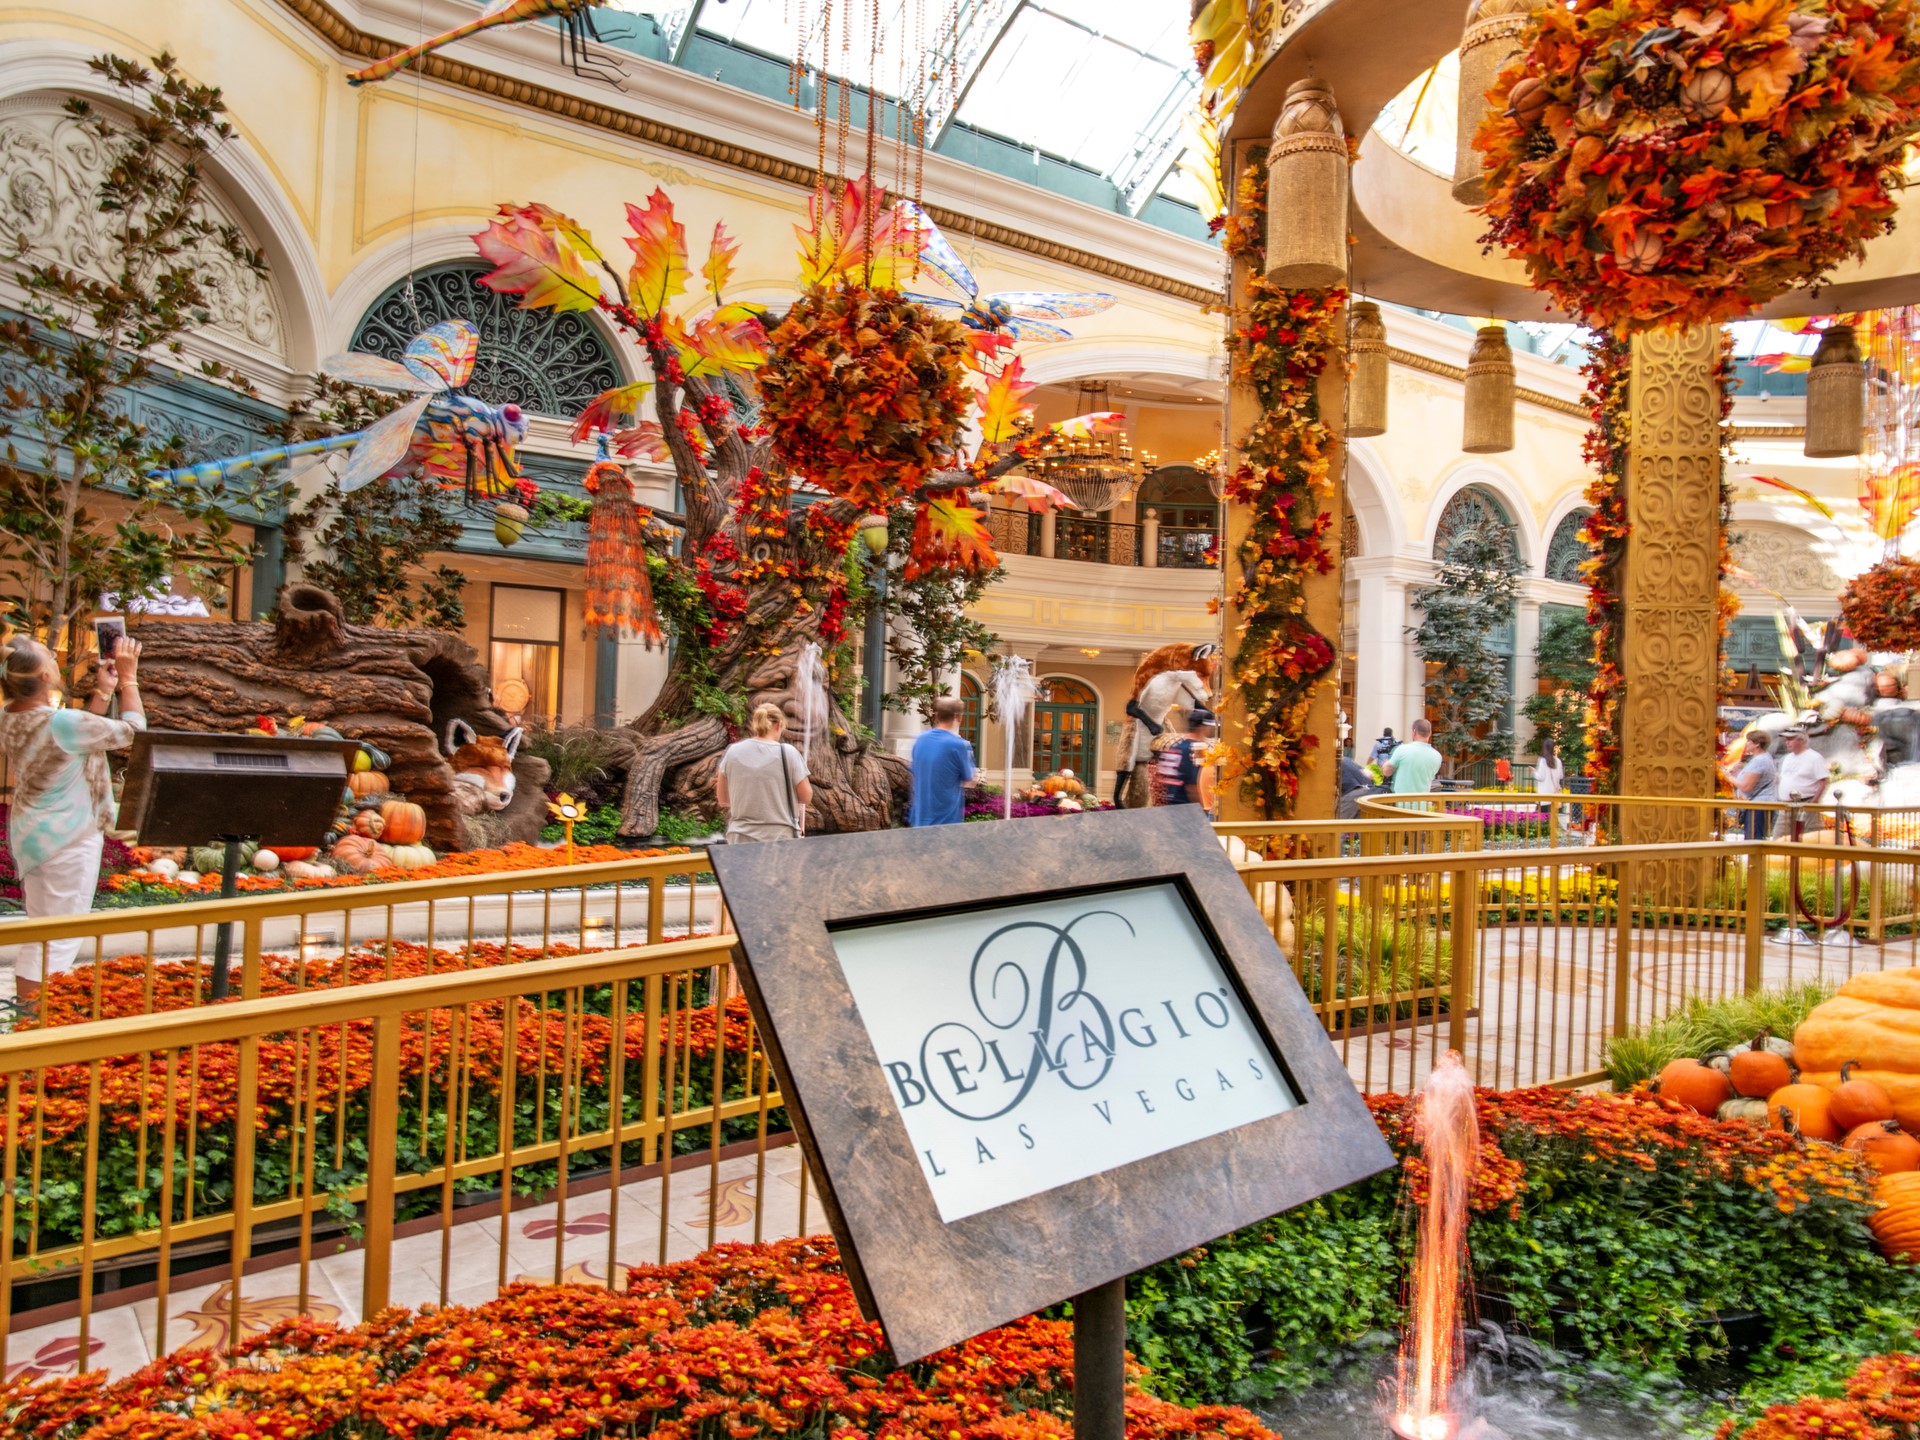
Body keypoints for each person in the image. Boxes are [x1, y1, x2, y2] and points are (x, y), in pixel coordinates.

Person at [0, 635, 146, 1011]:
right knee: (59, 935)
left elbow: (76, 737)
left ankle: (28, 1014)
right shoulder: (60, 722)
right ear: (47, 675)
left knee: (43, 929)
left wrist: (102, 693)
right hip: (67, 839)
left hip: (34, 835)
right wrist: (128, 680)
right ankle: (35, 1021)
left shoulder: (9, 715)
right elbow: (133, 731)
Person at [714, 702, 812, 843]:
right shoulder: (788, 753)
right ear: (778, 725)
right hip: (780, 840)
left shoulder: (733, 752)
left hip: (739, 839)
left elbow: (723, 799)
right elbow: (806, 796)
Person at [907, 694, 976, 826]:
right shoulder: (959, 745)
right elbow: (970, 780)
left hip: (919, 820)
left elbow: (917, 771)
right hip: (946, 823)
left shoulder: (920, 740)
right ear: (959, 718)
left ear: (936, 715)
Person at [1155, 706, 1217, 809]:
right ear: (1203, 727)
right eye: (1209, 727)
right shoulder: (1194, 750)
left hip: (1168, 805)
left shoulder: (1173, 747)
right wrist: (1201, 811)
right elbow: (1192, 787)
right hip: (1185, 808)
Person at [1775, 726, 1828, 836]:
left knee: (1810, 837)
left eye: (1790, 739)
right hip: (1786, 805)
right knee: (1779, 838)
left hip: (1806, 803)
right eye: (1786, 740)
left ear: (1801, 739)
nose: (1787, 743)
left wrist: (1813, 804)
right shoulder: (1787, 758)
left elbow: (1823, 782)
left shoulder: (1814, 757)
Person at [1732, 729, 1779, 841]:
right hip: (1758, 804)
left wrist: (1728, 777)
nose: (1746, 744)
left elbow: (1746, 786)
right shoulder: (1762, 758)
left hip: (1758, 806)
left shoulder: (1760, 760)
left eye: (1749, 741)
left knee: (1753, 838)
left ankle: (1755, 858)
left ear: (1757, 744)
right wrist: (1738, 772)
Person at [1383, 718, 1443, 796]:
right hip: (1422, 804)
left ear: (1414, 732)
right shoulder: (1437, 756)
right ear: (1430, 733)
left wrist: (1385, 764)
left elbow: (1386, 772)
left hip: (1400, 804)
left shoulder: (1402, 749)